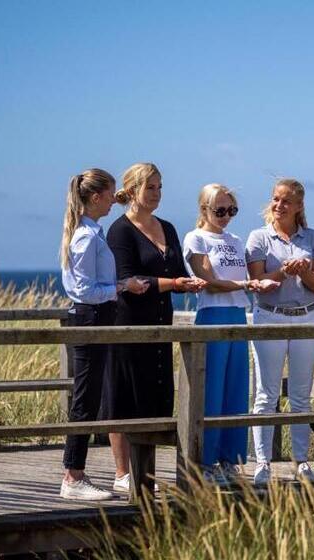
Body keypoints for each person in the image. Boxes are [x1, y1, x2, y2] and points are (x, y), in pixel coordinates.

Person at [104, 162, 206, 494]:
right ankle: (122, 472)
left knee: (154, 394)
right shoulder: (119, 230)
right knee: (124, 396)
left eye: (160, 187)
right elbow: (128, 278)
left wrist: (187, 283)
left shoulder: (168, 227)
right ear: (132, 191)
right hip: (129, 323)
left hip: (162, 325)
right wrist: (172, 282)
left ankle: (145, 472)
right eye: (151, 187)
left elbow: (175, 271)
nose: (157, 194)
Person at [58, 168, 148, 501]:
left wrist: (117, 288)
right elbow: (83, 290)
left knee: (90, 396)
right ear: (96, 197)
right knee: (85, 398)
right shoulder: (85, 236)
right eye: (110, 195)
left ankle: (75, 472)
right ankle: (72, 475)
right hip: (90, 318)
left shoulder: (90, 232)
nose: (113, 200)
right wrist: (122, 286)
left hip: (97, 318)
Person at [246, 178, 314, 485]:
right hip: (270, 316)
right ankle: (262, 461)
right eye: (275, 199)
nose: (279, 205)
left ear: (299, 206)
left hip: (307, 317)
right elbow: (259, 284)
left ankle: (302, 460)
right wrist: (282, 271)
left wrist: (304, 269)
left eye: (286, 201)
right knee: (266, 394)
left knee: (301, 395)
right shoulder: (258, 237)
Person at [183, 183, 262, 481]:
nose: (226, 216)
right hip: (213, 314)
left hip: (237, 315)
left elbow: (243, 275)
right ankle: (205, 461)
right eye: (220, 210)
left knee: (236, 390)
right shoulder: (196, 238)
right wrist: (246, 285)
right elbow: (208, 279)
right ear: (204, 209)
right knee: (211, 391)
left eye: (232, 210)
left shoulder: (236, 239)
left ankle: (231, 459)